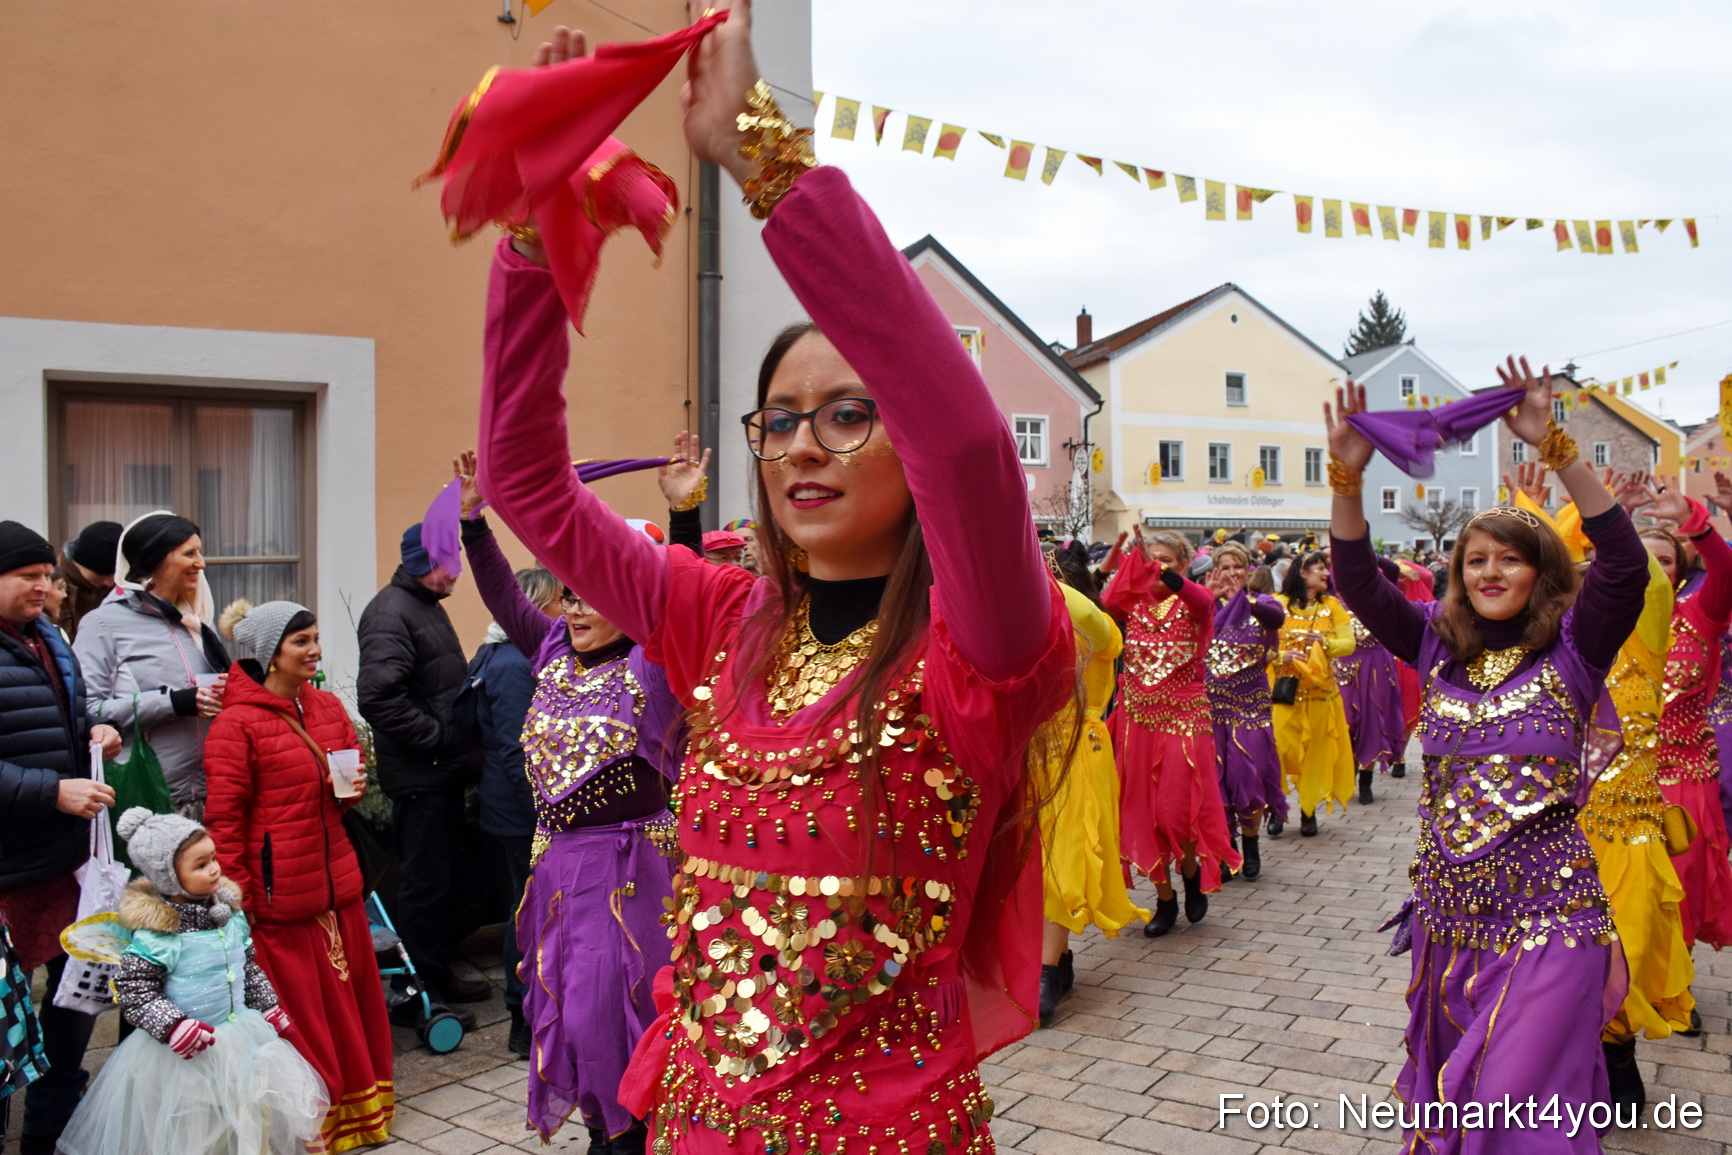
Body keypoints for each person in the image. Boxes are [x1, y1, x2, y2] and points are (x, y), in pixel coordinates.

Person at [473, 13, 1075, 1153]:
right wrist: (537, 234)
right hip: (692, 1121)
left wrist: (762, 157)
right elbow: (526, 483)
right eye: (783, 418)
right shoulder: (721, 619)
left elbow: (967, 445)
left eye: (852, 415)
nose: (804, 444)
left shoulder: (978, 651)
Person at [1327, 361, 1648, 1151]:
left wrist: (1558, 444)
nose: (1491, 571)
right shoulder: (1436, 642)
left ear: (1539, 571)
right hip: (1448, 917)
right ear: (1458, 576)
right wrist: (1345, 476)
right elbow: (1358, 582)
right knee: (1456, 1099)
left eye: (1509, 557)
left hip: (1551, 920)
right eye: (1476, 560)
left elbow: (1627, 565)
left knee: (1512, 1104)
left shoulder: (1575, 648)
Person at [457, 451, 697, 1150]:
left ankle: (629, 1133)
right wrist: (474, 519)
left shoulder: (655, 661)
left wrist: (685, 513)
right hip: (561, 872)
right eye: (568, 593)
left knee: (627, 1013)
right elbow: (503, 594)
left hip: (634, 874)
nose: (578, 606)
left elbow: (681, 598)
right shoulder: (552, 649)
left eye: (595, 593)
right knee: (567, 1015)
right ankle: (607, 1127)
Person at [203, 600, 396, 1151]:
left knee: (352, 1002)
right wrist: (236, 894)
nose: (314, 651)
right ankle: (314, 1121)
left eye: (315, 639)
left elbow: (352, 766)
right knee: (305, 1014)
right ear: (269, 655)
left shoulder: (328, 706)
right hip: (279, 894)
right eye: (301, 643)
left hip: (338, 878)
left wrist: (353, 785)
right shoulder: (236, 725)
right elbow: (224, 819)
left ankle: (364, 1113)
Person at [56, 808, 327, 1155]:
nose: (214, 868)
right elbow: (135, 992)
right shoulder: (159, 937)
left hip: (243, 1039)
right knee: (196, 1132)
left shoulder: (229, 917)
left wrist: (267, 1005)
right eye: (200, 865)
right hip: (187, 1053)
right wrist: (174, 1026)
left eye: (213, 858)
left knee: (251, 1117)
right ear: (168, 877)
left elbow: (247, 967)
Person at [0, 522, 122, 1155]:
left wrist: (98, 732)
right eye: (28, 576)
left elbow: (69, 718)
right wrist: (52, 790)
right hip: (9, 875)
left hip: (68, 864)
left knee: (75, 1004)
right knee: (2, 1023)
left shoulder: (50, 636)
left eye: (47, 575)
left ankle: (49, 1132)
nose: (44, 587)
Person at [356, 522, 485, 1005]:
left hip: (441, 771)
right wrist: (439, 740)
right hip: (422, 775)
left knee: (444, 878)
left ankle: (437, 971)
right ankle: (418, 991)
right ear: (424, 564)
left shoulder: (422, 605)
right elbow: (379, 697)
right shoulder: (391, 612)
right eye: (448, 563)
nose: (456, 573)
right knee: (424, 883)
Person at [1103, 527, 1238, 936]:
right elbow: (1108, 600)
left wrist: (1167, 576)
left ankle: (1192, 874)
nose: (1157, 566)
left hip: (1185, 719)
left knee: (1176, 812)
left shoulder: (1195, 603)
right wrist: (1131, 562)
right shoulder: (1136, 604)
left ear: (1182, 565)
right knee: (1141, 813)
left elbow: (1200, 599)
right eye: (1152, 559)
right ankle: (1165, 899)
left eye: (1167, 560)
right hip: (1138, 722)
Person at [1035, 541, 1148, 1025]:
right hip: (1023, 757)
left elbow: (1106, 636)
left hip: (1077, 753)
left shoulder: (1094, 626)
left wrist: (1030, 579)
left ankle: (1044, 972)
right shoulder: (1032, 623)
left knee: (1062, 859)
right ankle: (1052, 958)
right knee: (1025, 866)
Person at [74, 513, 230, 817]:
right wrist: (174, 702)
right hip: (145, 796)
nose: (201, 563)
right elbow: (88, 709)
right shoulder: (103, 623)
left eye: (200, 552)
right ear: (155, 558)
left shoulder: (192, 623)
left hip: (209, 795)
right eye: (190, 553)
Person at [457, 553, 549, 1059]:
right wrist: (540, 812)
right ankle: (523, 1017)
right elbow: (516, 749)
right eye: (559, 603)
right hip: (519, 813)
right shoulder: (514, 664)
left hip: (506, 807)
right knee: (526, 912)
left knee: (525, 907)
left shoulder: (501, 653)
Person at [1651, 474, 1732, 990]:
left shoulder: (1700, 616)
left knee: (1681, 882)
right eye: (1639, 561)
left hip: (1684, 773)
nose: (1651, 571)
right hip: (1612, 780)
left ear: (1679, 573)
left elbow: (1726, 571)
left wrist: (1696, 524)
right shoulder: (1591, 625)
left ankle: (1675, 984)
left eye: (1663, 560)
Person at [1203, 542, 1284, 882]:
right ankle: (1226, 849)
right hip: (1210, 712)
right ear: (1215, 571)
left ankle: (1251, 844)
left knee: (1246, 779)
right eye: (1225, 567)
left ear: (1248, 570)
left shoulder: (1262, 603)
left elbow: (1276, 618)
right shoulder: (1204, 605)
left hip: (1250, 710)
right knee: (1217, 786)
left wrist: (1243, 598)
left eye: (1238, 567)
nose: (1232, 573)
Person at [1269, 550, 1355, 837]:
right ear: (1302, 572)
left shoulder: (1332, 606)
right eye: (1319, 568)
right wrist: (1282, 654)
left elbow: (1349, 643)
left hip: (1320, 693)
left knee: (1315, 756)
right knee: (1280, 750)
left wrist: (1325, 642)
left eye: (1325, 568)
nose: (1325, 573)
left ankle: (1308, 810)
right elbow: (1260, 646)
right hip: (1285, 693)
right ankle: (1277, 807)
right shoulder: (1277, 605)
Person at [1333, 559, 1409, 804]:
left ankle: (1366, 779)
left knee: (1373, 721)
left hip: (1375, 665)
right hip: (1343, 666)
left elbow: (1394, 570)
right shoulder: (1335, 597)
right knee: (1346, 723)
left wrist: (1360, 552)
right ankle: (1349, 772)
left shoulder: (1382, 594)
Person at [57, 521, 122, 642]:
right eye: (101, 574)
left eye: (115, 574)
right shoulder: (53, 585)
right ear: (79, 563)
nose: (110, 583)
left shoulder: (124, 583)